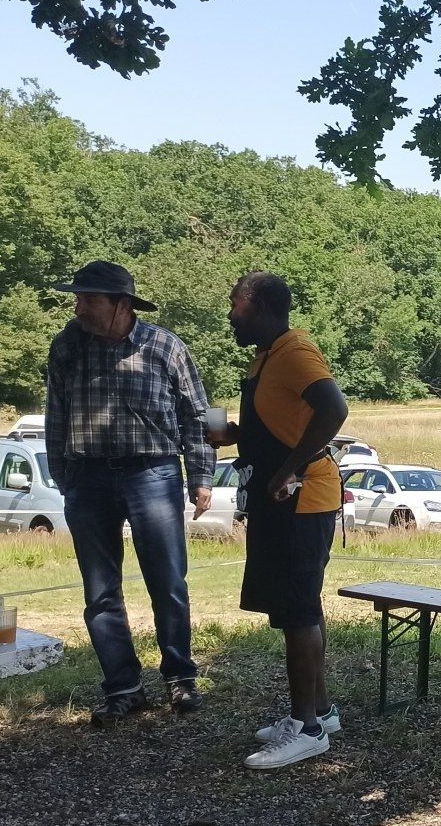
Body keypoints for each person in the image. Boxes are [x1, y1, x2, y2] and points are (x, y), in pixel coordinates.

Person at [46, 260, 216, 726]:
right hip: (88, 478)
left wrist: (201, 476)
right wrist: (64, 478)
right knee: (100, 592)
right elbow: (56, 413)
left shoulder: (164, 346)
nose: (78, 308)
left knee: (168, 582)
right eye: (78, 298)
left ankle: (180, 677)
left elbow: (196, 415)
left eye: (89, 299)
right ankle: (123, 687)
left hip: (153, 474)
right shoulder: (67, 347)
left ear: (121, 305)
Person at [208, 271, 348, 769]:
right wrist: (236, 435)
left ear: (261, 306)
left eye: (235, 304)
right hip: (277, 499)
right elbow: (283, 424)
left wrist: (289, 470)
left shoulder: (295, 352)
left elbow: (334, 410)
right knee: (298, 605)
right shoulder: (265, 357)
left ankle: (306, 729)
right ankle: (321, 711)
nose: (230, 315)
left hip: (301, 499)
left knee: (298, 611)